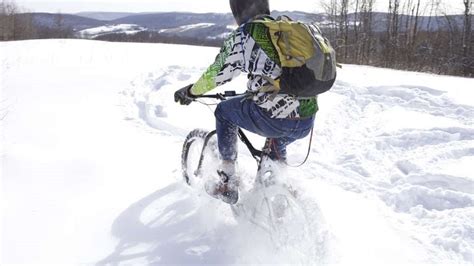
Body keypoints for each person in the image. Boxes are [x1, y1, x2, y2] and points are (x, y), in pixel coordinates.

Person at [174, 0, 317, 204]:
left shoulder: (246, 35)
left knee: (224, 111)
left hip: (275, 118)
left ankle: (227, 180)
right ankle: (277, 187)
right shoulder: (285, 31)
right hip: (305, 119)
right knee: (276, 143)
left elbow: (218, 73)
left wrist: (191, 91)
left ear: (239, 10)